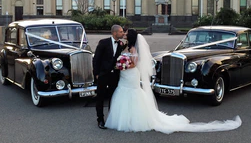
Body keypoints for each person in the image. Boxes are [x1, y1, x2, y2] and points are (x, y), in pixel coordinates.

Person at [105, 29, 242, 134]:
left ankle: (134, 120)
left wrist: (122, 65)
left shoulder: (134, 48)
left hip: (130, 73)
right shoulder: (127, 47)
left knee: (133, 94)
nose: (125, 34)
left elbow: (135, 62)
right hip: (126, 76)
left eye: (126, 33)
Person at [93, 24, 125, 129]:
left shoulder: (121, 44)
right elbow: (96, 59)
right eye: (120, 32)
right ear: (114, 33)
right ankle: (100, 120)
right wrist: (97, 74)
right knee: (100, 97)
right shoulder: (103, 43)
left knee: (113, 97)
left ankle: (111, 119)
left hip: (114, 75)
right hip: (103, 74)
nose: (122, 33)